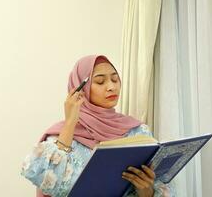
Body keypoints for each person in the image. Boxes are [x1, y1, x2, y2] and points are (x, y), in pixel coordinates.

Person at [21, 55, 175, 197]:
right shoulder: (61, 134)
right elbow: (41, 176)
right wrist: (70, 123)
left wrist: (147, 191)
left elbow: (165, 185)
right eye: (100, 81)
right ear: (81, 89)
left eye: (115, 80)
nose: (111, 87)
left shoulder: (137, 132)